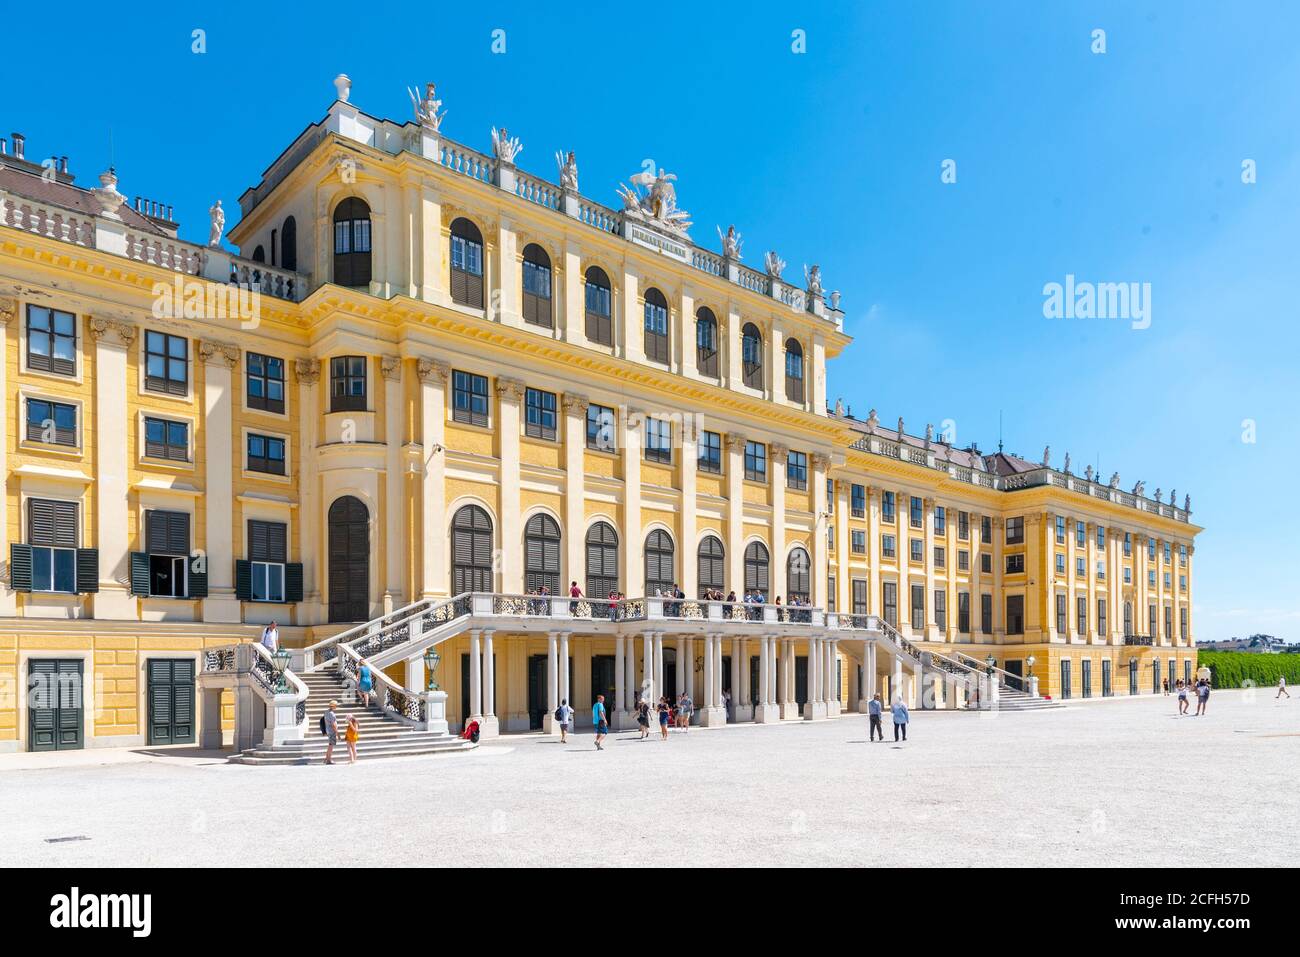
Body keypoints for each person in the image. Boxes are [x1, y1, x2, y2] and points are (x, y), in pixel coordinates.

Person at [323, 700, 339, 765]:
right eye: (336, 705)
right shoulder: (331, 713)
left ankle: (326, 758)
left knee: (330, 745)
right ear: (333, 706)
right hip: (332, 731)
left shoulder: (326, 712)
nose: (336, 707)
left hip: (328, 730)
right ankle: (328, 760)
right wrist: (337, 733)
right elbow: (333, 724)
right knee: (331, 746)